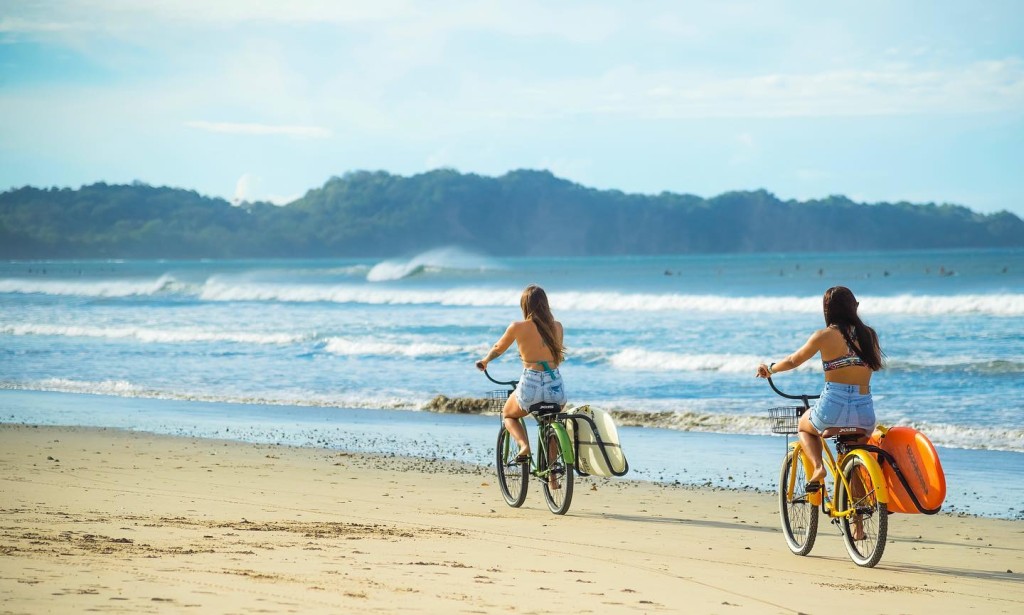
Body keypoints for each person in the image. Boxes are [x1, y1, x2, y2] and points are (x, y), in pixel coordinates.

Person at [756, 286, 884, 496]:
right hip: (864, 412)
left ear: (827, 310)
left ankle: (817, 468)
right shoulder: (869, 335)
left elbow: (792, 361)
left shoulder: (823, 336)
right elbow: (874, 364)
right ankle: (858, 527)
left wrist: (769, 369)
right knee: (854, 465)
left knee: (804, 427)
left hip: (832, 408)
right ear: (854, 308)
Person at [475, 284, 566, 461]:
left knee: (508, 414)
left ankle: (524, 446)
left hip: (530, 384)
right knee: (551, 422)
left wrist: (485, 361)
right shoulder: (558, 326)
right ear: (545, 304)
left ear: (525, 306)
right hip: (555, 386)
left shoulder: (517, 327)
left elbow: (498, 348)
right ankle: (554, 476)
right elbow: (557, 359)